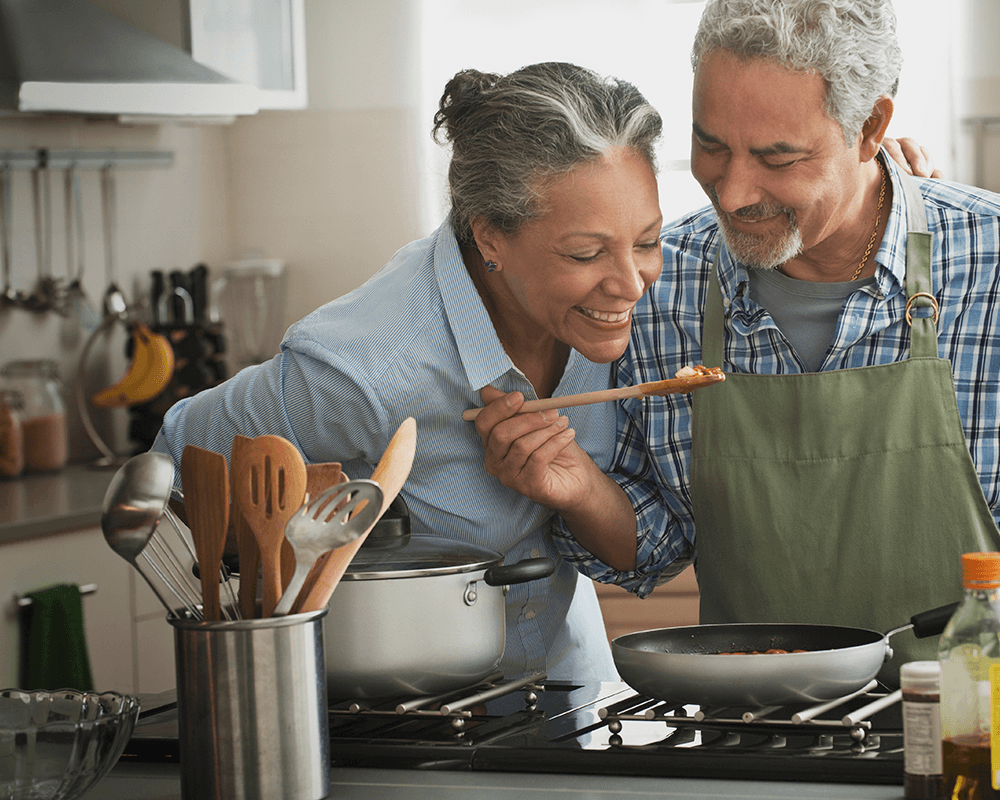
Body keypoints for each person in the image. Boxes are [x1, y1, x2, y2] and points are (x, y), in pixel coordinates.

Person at [473, 0, 999, 680]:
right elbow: (658, 544)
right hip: (753, 742)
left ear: (869, 128)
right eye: (712, 145)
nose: (734, 191)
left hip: (971, 738)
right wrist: (577, 489)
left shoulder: (987, 264)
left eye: (777, 156)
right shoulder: (661, 286)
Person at [152, 61, 666, 684]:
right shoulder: (363, 365)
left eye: (647, 242)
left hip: (567, 681)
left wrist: (580, 487)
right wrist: (291, 573)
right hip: (392, 708)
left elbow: (639, 551)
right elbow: (175, 466)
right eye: (586, 254)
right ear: (491, 238)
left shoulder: (612, 322)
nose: (630, 283)